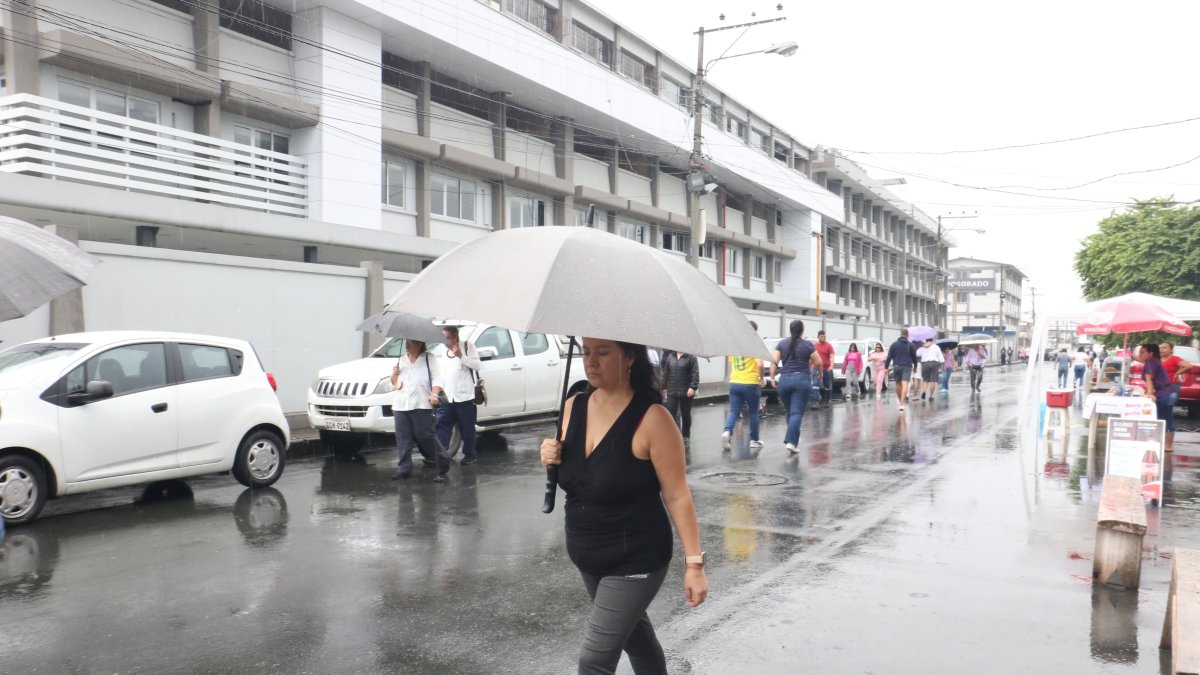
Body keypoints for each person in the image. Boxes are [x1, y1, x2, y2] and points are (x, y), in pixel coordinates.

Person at [539, 339, 707, 674]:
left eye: (603, 353)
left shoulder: (654, 419)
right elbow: (576, 476)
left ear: (629, 357)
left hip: (635, 557)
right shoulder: (574, 405)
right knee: (636, 639)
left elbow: (677, 494)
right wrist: (549, 456)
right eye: (587, 352)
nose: (591, 361)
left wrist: (694, 565)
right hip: (588, 554)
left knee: (594, 660)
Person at [390, 338, 451, 482]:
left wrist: (434, 394)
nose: (407, 344)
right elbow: (394, 383)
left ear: (419, 344)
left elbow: (438, 378)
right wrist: (394, 374)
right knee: (403, 438)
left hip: (422, 403)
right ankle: (404, 468)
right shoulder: (401, 360)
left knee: (425, 436)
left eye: (410, 342)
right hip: (401, 404)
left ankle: (443, 461)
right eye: (406, 342)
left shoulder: (429, 358)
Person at [769, 319, 823, 453]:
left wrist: (772, 378)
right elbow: (819, 361)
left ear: (790, 330)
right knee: (796, 413)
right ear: (802, 331)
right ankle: (791, 442)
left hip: (784, 380)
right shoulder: (807, 345)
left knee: (791, 412)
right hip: (801, 380)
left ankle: (794, 439)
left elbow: (774, 362)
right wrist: (820, 373)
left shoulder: (782, 344)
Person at [434, 326, 482, 466]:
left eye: (447, 338)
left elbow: (478, 366)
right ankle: (442, 455)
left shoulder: (467, 346)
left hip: (465, 396)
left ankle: (470, 454)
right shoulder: (442, 351)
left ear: (456, 336)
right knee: (442, 426)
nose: (445, 341)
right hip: (447, 395)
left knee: (467, 427)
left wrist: (461, 356)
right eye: (443, 338)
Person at [723, 322, 763, 451]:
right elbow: (760, 364)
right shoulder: (754, 344)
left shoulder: (735, 343)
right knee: (753, 412)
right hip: (750, 382)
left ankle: (727, 432)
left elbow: (730, 361)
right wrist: (761, 378)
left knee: (734, 411)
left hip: (735, 382)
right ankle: (754, 440)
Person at [1136, 343, 1179, 454]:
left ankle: (1168, 446)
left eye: (1142, 352)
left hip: (1165, 394)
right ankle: (1163, 444)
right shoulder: (1151, 361)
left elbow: (1149, 379)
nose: (1140, 354)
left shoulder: (1150, 362)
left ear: (1150, 353)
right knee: (1162, 418)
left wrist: (1150, 393)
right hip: (1164, 392)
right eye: (1140, 351)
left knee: (1165, 419)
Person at [660, 350, 699, 440]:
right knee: (671, 412)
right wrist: (661, 387)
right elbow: (666, 373)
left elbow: (695, 374)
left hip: (686, 391)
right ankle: (672, 434)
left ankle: (686, 435)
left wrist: (692, 387)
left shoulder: (691, 358)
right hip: (672, 390)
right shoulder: (671, 357)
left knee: (685, 414)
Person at [1160, 342, 1193, 450]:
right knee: (1159, 414)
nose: (1162, 349)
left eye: (1165, 348)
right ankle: (1161, 442)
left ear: (1171, 350)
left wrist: (1178, 372)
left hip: (1171, 389)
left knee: (1167, 414)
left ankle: (1168, 445)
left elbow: (1188, 366)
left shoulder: (1175, 359)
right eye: (1160, 348)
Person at [885, 329, 919, 411]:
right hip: (907, 367)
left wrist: (886, 368)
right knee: (905, 384)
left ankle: (900, 401)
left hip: (896, 366)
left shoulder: (894, 344)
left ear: (900, 334)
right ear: (907, 335)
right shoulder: (911, 345)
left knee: (898, 383)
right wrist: (915, 366)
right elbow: (915, 357)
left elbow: (889, 357)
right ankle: (902, 403)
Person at [813, 330, 835, 408]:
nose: (823, 338)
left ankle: (827, 400)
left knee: (827, 385)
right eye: (821, 337)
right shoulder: (814, 346)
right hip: (816, 367)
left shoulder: (829, 346)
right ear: (818, 337)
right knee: (815, 384)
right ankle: (816, 402)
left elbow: (832, 357)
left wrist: (831, 366)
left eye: (824, 336)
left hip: (826, 368)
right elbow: (811, 357)